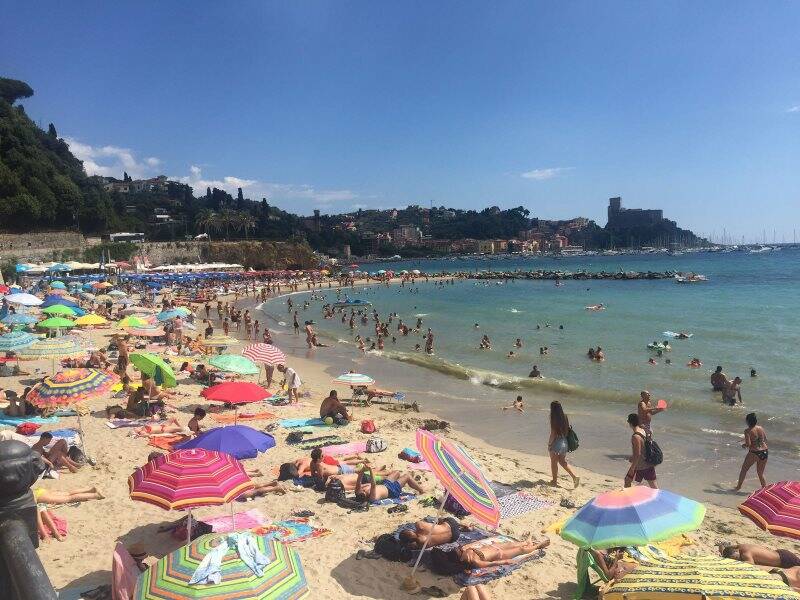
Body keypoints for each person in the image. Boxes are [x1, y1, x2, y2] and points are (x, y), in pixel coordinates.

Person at [429, 537, 550, 575]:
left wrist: (465, 549)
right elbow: (491, 563)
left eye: (459, 550)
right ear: (460, 560)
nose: (459, 549)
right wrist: (506, 562)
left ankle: (529, 541)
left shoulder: (466, 550)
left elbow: (466, 546)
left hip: (495, 546)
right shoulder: (476, 562)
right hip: (500, 554)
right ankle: (538, 545)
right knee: (521, 549)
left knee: (516, 544)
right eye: (459, 552)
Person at [548, 401, 579, 489]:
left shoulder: (553, 417)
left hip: (556, 442)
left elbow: (553, 433)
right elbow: (566, 430)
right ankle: (574, 477)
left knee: (554, 462)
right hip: (564, 442)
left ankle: (554, 481)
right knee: (562, 461)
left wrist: (550, 444)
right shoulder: (565, 416)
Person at [734, 412, 768, 491]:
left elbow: (748, 444)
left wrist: (744, 445)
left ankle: (738, 487)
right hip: (765, 451)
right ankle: (764, 489)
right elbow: (765, 439)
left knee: (744, 470)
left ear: (747, 421)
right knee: (760, 473)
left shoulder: (747, 431)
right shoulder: (761, 428)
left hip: (755, 453)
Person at [353, 466, 425, 502]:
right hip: (392, 490)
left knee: (396, 472)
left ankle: (405, 483)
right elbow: (373, 484)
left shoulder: (358, 492)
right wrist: (370, 470)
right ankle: (421, 490)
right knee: (407, 476)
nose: (363, 491)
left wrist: (363, 470)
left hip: (385, 484)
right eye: (364, 493)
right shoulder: (372, 497)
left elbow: (359, 480)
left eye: (362, 491)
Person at [624, 413, 657, 489]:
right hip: (648, 463)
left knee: (627, 481)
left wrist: (632, 468)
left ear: (630, 423)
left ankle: (629, 499)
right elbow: (643, 447)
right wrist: (632, 457)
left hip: (640, 466)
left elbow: (638, 454)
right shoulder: (643, 431)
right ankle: (659, 499)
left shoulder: (635, 436)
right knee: (654, 487)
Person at [399, 518, 470, 548]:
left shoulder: (421, 544)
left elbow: (414, 544)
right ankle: (461, 525)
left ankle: (461, 530)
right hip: (451, 523)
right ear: (410, 531)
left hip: (455, 536)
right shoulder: (419, 525)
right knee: (440, 521)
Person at [721, 543, 800, 569]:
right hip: (781, 553)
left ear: (736, 551)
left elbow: (750, 564)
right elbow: (729, 547)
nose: (737, 559)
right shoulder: (741, 546)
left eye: (736, 558)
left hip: (784, 559)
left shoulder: (746, 554)